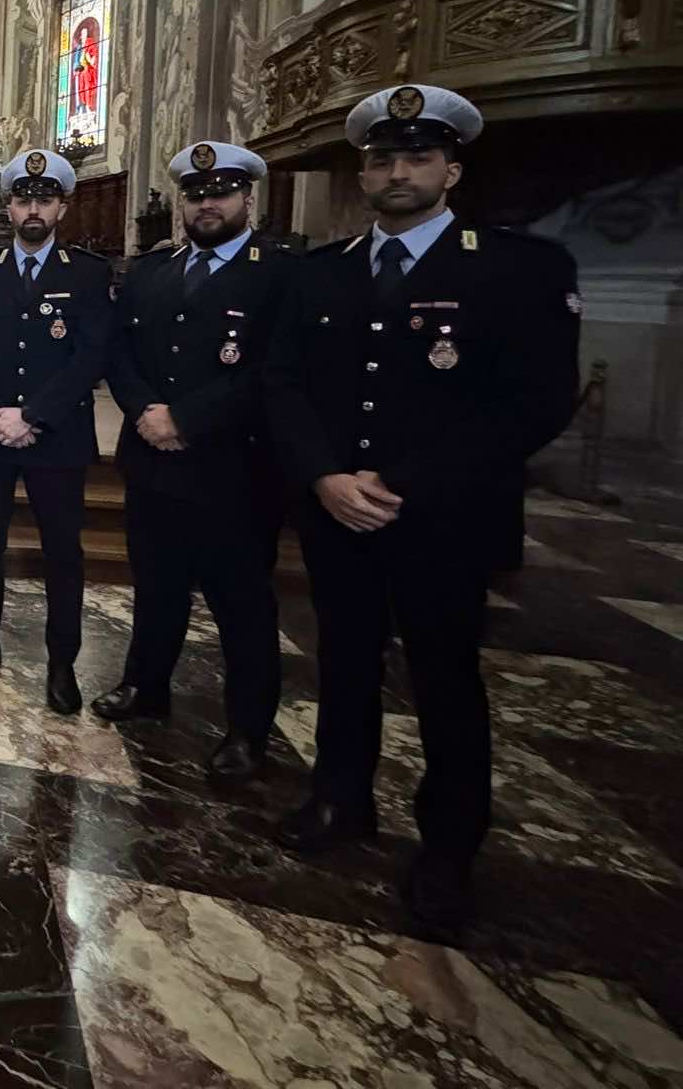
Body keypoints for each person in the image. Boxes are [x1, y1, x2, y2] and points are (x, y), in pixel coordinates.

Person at [265, 85, 580, 941]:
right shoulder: (321, 273)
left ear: (452, 168)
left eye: (416, 158)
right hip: (337, 507)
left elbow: (536, 401)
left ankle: (448, 844)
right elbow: (284, 384)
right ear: (363, 172)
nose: (397, 172)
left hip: (444, 514)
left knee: (445, 678)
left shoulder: (519, 267)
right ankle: (341, 798)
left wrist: (402, 480)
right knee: (346, 659)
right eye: (381, 159)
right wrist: (326, 476)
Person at [95, 141, 295, 783]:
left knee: (241, 605)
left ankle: (247, 729)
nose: (207, 205)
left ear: (247, 199)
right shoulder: (153, 272)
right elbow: (118, 353)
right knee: (155, 587)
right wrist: (146, 412)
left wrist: (185, 418)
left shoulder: (280, 273)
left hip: (235, 469)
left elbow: (277, 371)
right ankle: (145, 686)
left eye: (220, 194)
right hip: (152, 461)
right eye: (196, 194)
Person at [0, 148, 111, 711]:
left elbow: (91, 356)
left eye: (44, 199)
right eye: (23, 200)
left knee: (63, 550)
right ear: (9, 208)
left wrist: (32, 416)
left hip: (55, 437)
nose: (32, 209)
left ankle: (63, 661)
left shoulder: (88, 273)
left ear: (61, 206)